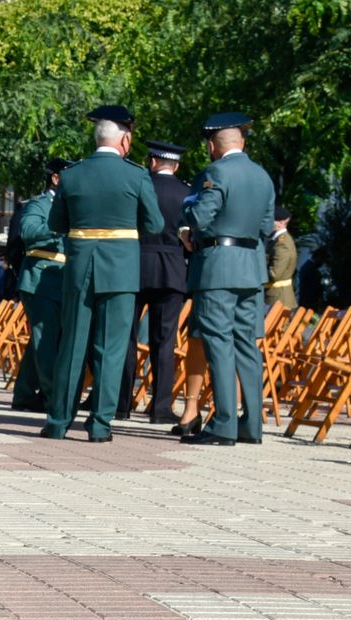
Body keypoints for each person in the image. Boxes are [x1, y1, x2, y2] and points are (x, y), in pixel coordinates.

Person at [39, 105, 164, 443]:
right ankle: (99, 425)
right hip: (121, 269)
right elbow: (155, 224)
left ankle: (58, 421)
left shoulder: (73, 174)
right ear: (124, 139)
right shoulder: (136, 175)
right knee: (110, 347)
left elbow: (55, 224)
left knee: (73, 343)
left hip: (80, 268)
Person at [178, 112, 276, 446]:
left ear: (212, 146)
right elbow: (266, 227)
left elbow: (201, 216)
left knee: (218, 342)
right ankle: (251, 424)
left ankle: (223, 423)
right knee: (247, 344)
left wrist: (187, 221)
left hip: (218, 264)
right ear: (242, 143)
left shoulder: (217, 172)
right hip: (251, 266)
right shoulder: (263, 176)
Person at [118, 140, 190, 424]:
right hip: (171, 270)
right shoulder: (187, 193)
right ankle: (160, 408)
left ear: (151, 161)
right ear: (176, 165)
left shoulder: (139, 187)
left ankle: (121, 404)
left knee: (126, 339)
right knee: (165, 342)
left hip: (135, 266)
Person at [9, 158, 72, 413]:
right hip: (40, 277)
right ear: (55, 178)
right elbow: (28, 230)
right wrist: (57, 227)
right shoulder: (40, 203)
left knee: (43, 338)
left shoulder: (72, 205)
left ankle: (24, 394)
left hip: (62, 277)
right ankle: (53, 397)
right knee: (46, 339)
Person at [266, 206, 297, 311]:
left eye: (272, 219)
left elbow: (275, 274)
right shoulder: (276, 240)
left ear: (282, 222)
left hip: (278, 298)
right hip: (276, 295)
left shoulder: (282, 244)